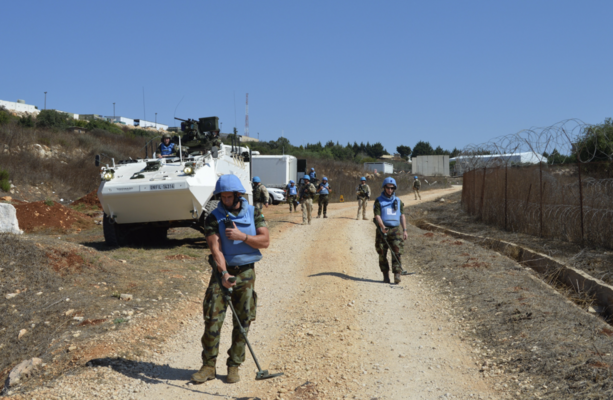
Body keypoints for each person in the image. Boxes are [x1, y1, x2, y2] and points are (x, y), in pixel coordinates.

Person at [192, 174, 270, 384]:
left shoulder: (254, 213)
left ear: (238, 195)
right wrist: (224, 273)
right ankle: (208, 366)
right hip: (222, 272)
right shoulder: (213, 217)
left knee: (243, 320)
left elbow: (265, 241)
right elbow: (215, 248)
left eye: (229, 197)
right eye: (222, 197)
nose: (225, 201)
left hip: (246, 272)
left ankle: (234, 365)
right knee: (212, 318)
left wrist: (242, 236)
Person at [373, 177, 408, 284]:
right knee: (382, 253)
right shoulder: (379, 200)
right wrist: (382, 227)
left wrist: (405, 230)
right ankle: (385, 276)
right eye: (388, 188)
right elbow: (377, 215)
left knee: (397, 253)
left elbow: (402, 216)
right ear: (384, 187)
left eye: (392, 188)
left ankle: (397, 275)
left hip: (395, 231)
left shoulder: (398, 201)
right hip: (382, 231)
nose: (390, 190)